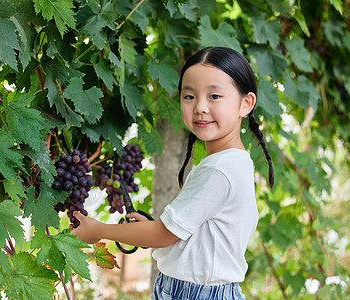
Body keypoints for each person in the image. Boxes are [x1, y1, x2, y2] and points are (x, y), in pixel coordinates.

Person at [71, 46, 274, 299]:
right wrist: (153, 230)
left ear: (246, 103)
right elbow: (191, 236)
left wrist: (98, 230)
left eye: (214, 96)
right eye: (189, 96)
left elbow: (163, 234)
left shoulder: (219, 170)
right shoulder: (232, 162)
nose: (200, 107)